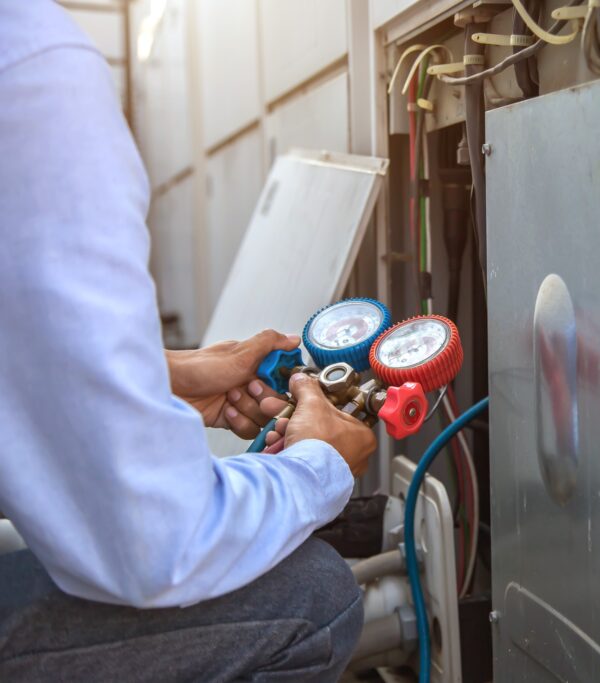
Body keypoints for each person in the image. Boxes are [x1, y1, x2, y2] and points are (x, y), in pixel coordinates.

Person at [0, 2, 376, 680]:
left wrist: (158, 373)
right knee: (314, 596)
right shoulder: (31, 63)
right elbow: (155, 544)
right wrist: (322, 462)